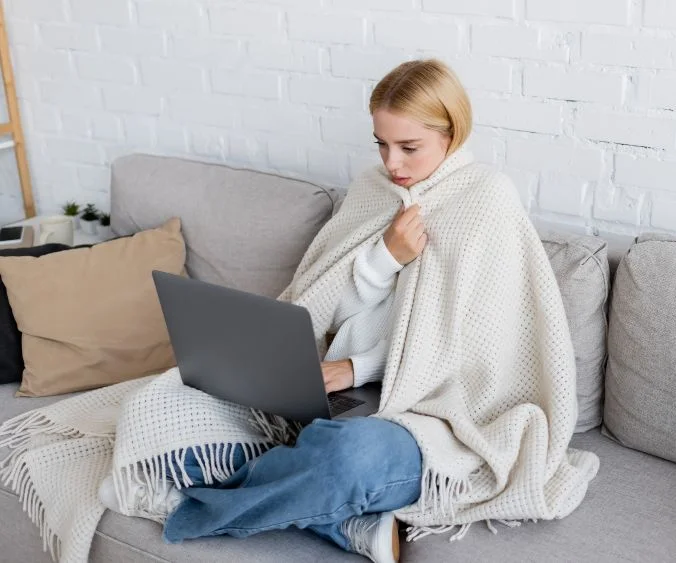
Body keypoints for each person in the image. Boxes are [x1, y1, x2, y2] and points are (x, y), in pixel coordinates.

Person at [102, 58, 597, 563]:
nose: (393, 164)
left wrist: (357, 368)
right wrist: (385, 258)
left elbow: (476, 348)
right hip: (339, 388)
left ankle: (193, 508)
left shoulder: (486, 199)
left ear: (452, 133)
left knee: (346, 458)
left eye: (409, 147)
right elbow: (325, 311)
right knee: (160, 399)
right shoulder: (372, 191)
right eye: (382, 144)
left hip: (431, 415)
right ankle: (346, 522)